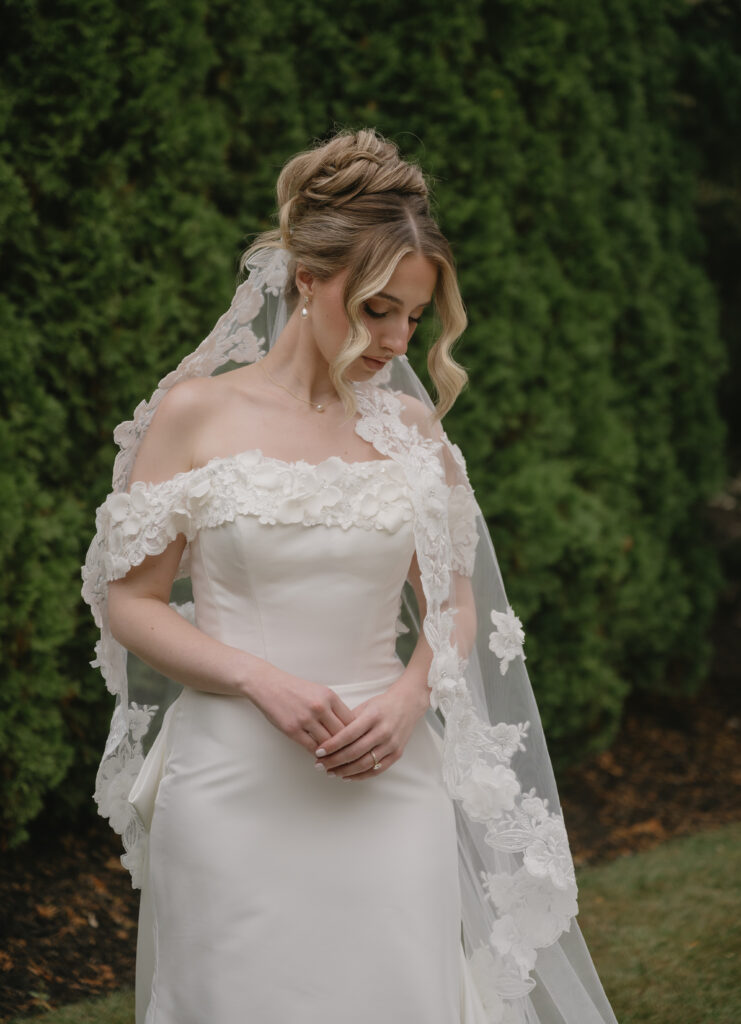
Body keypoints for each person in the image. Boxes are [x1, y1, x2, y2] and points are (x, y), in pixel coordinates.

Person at [82, 128, 619, 1024]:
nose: (398, 338)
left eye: (414, 316)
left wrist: (413, 696)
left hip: (387, 773)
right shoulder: (196, 413)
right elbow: (130, 603)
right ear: (307, 280)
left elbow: (451, 598)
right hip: (230, 781)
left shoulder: (411, 430)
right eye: (377, 309)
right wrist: (260, 679)